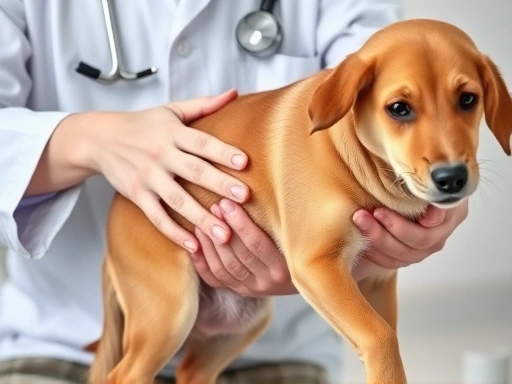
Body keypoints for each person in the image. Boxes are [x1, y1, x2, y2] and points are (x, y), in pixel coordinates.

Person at [0, 1, 469, 383]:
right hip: (54, 344)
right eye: (402, 109)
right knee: (146, 347)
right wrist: (90, 141)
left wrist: (434, 194)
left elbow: (404, 68)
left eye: (468, 101)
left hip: (279, 350)